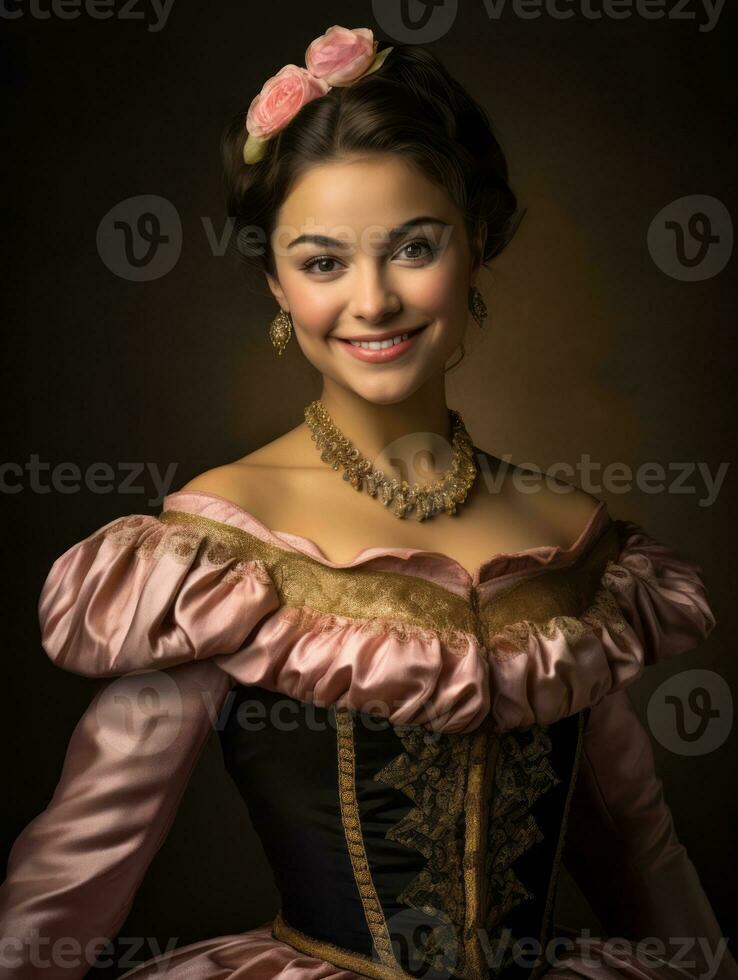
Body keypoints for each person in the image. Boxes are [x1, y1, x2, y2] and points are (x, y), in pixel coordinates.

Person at [1, 24, 735, 980]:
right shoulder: (210, 550)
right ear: (275, 282)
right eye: (322, 261)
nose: (375, 300)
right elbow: (77, 875)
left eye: (414, 247)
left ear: (476, 243)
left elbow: (637, 845)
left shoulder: (576, 542)